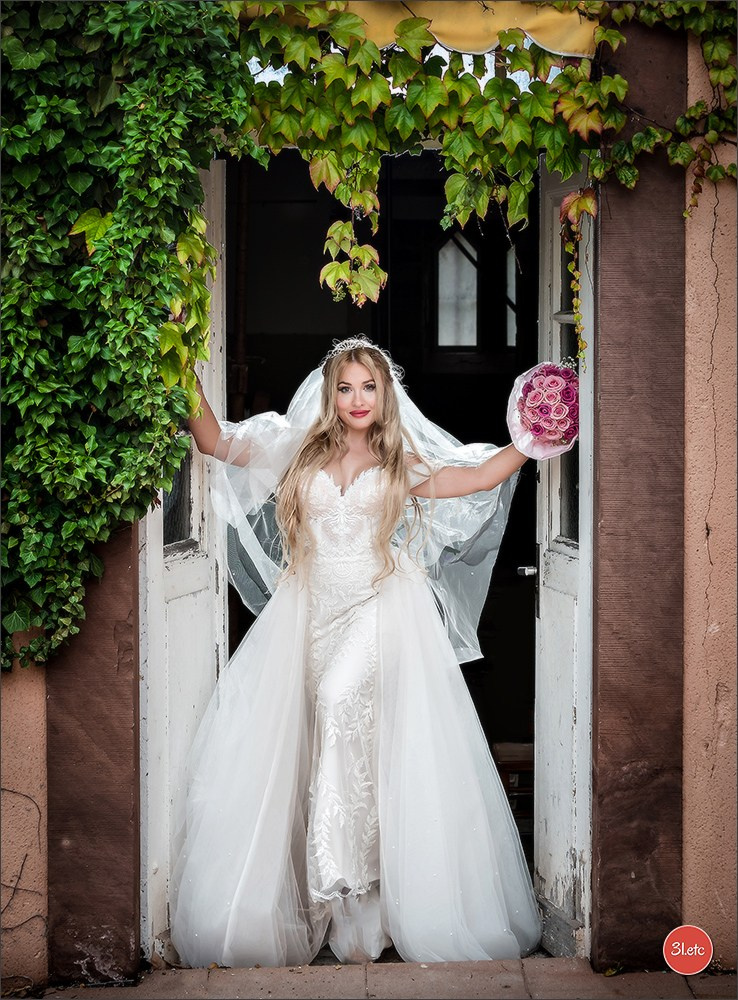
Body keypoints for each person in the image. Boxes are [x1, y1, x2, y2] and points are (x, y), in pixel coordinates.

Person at [169, 336, 543, 968]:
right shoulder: (298, 450)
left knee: (342, 706)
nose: (357, 398)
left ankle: (341, 872)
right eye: (345, 387)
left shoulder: (400, 460)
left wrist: (532, 443)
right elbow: (214, 442)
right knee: (327, 738)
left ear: (384, 391)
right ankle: (354, 916)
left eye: (368, 386)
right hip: (311, 614)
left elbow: (475, 476)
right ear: (330, 394)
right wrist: (179, 367)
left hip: (380, 608)